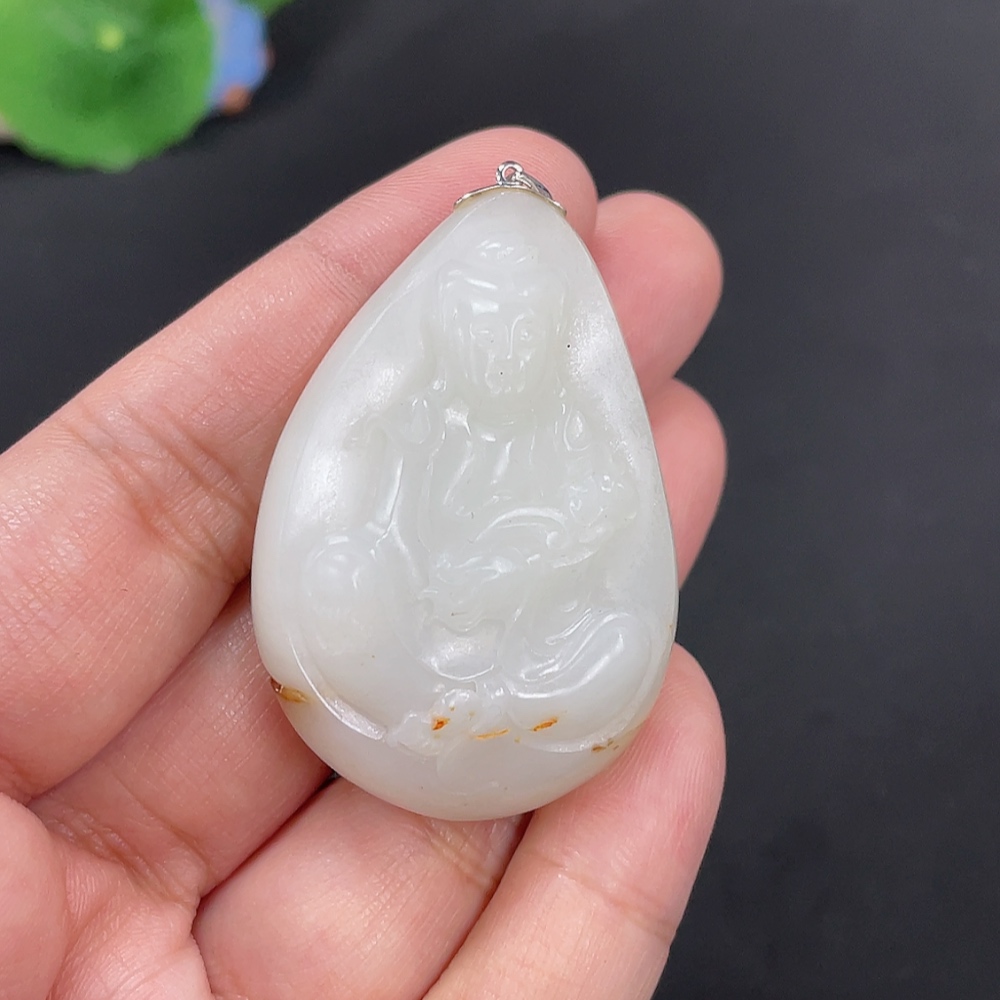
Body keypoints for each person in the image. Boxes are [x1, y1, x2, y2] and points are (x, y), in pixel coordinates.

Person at [0, 128, 726, 1000]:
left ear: (549, 336)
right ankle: (428, 709)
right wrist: (415, 581)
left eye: (520, 332)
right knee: (336, 578)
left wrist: (516, 573)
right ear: (448, 330)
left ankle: (489, 713)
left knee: (621, 644)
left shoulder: (574, 435)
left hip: (530, 649)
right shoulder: (413, 423)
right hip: (416, 637)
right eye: (480, 329)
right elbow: (360, 520)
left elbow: (599, 526)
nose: (500, 354)